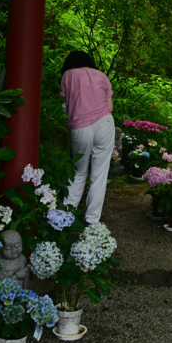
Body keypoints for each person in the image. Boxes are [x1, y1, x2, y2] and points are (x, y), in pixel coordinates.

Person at [60, 51, 115, 225]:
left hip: (81, 127)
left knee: (78, 171)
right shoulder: (101, 75)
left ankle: (64, 219)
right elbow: (110, 106)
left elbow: (67, 105)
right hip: (105, 123)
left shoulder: (67, 76)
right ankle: (91, 220)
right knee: (99, 174)